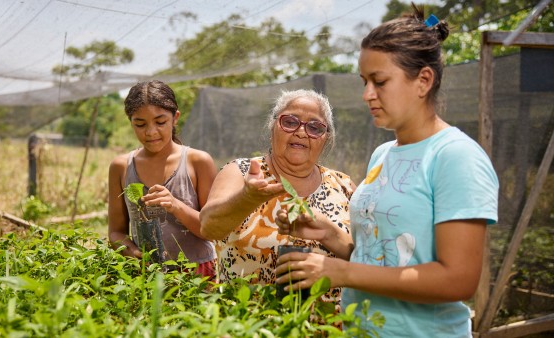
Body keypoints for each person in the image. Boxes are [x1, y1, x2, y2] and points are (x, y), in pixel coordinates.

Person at [274, 4, 499, 337]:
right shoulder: (383, 154)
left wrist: (341, 273)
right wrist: (330, 236)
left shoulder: (455, 156)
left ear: (423, 80)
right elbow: (381, 262)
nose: (367, 94)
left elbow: (459, 280)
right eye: (364, 81)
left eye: (379, 82)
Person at [199, 89, 355, 307]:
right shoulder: (242, 172)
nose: (301, 132)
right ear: (272, 127)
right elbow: (208, 227)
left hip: (330, 327)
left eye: (315, 127)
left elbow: (365, 259)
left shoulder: (343, 185)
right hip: (249, 324)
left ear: (326, 137)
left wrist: (330, 233)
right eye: (290, 122)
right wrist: (247, 197)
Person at [108, 80, 217, 278]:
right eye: (140, 124)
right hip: (146, 274)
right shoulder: (121, 166)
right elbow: (116, 232)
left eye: (160, 122)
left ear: (175, 118)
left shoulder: (198, 161)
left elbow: (212, 229)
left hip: (197, 274)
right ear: (131, 122)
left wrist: (175, 205)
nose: (151, 132)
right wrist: (133, 253)